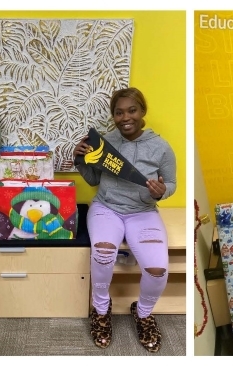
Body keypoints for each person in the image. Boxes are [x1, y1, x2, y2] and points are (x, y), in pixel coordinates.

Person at [73, 87, 177, 353]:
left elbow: (172, 183)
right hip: (106, 209)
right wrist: (80, 160)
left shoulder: (161, 147)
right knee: (103, 252)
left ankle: (142, 313)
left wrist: (163, 191)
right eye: (118, 112)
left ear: (142, 111)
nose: (125, 117)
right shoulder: (105, 143)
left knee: (158, 270)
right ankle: (101, 309)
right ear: (113, 116)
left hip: (143, 213)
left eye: (131, 110)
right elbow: (95, 180)